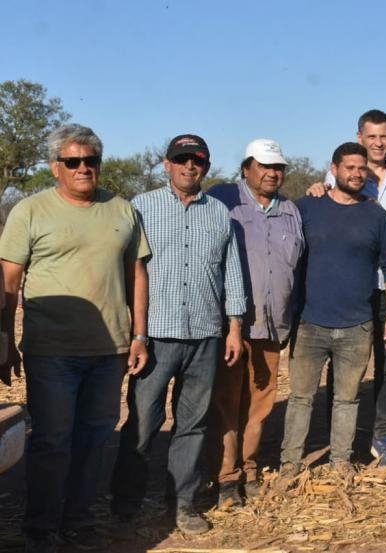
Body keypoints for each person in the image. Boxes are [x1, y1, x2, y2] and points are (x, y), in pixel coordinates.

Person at [0, 124, 149, 553]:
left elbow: (137, 274)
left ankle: (78, 522)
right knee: (52, 441)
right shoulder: (30, 211)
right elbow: (9, 280)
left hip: (109, 350)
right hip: (51, 351)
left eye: (91, 160)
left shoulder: (122, 210)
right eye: (73, 161)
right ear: (55, 167)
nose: (83, 168)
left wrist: (139, 334)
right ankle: (41, 528)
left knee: (95, 439)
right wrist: (5, 340)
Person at [111, 134, 246, 535]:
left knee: (193, 424)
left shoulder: (219, 213)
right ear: (167, 164)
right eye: (182, 159)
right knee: (142, 423)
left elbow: (231, 271)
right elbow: (125, 270)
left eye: (197, 160)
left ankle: (183, 504)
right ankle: (126, 505)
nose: (190, 166)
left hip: (205, 334)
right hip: (154, 335)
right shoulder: (141, 207)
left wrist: (234, 326)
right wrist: (133, 332)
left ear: (206, 167)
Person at [279, 142, 386, 477]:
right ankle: (290, 462)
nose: (357, 174)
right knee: (301, 398)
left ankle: (341, 462)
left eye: (362, 169)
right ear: (333, 169)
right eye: (350, 167)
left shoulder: (377, 216)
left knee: (347, 399)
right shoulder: (307, 207)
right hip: (310, 322)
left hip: (357, 324)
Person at [205, 139, 304, 508]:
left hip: (272, 326)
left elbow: (297, 268)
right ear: (246, 167)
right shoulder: (223, 202)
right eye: (264, 166)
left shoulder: (291, 211)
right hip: (232, 326)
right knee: (225, 404)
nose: (272, 173)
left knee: (259, 406)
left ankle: (248, 469)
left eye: (278, 167)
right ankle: (225, 476)